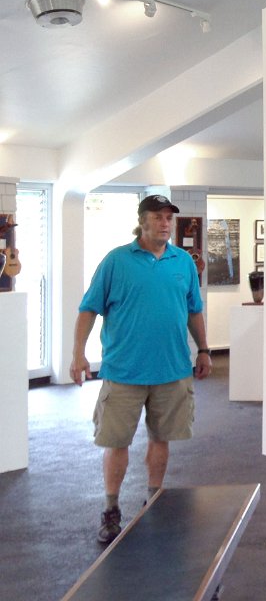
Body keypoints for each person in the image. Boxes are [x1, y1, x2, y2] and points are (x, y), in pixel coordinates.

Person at [70, 194, 212, 544]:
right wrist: (78, 354)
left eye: (169, 217)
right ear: (142, 220)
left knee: (161, 439)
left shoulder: (183, 263)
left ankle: (154, 499)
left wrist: (205, 350)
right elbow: (89, 309)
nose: (165, 223)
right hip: (124, 372)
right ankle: (110, 508)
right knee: (116, 442)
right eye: (158, 217)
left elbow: (194, 309)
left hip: (172, 369)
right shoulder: (116, 261)